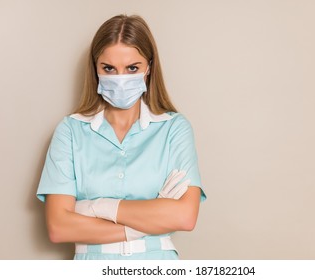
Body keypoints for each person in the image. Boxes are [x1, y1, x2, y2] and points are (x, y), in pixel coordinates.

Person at [36, 14, 206, 260]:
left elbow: (185, 217)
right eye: (109, 68)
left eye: (132, 68)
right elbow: (59, 227)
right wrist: (150, 218)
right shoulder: (70, 131)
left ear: (149, 67)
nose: (120, 79)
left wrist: (94, 207)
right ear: (95, 68)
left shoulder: (174, 128)